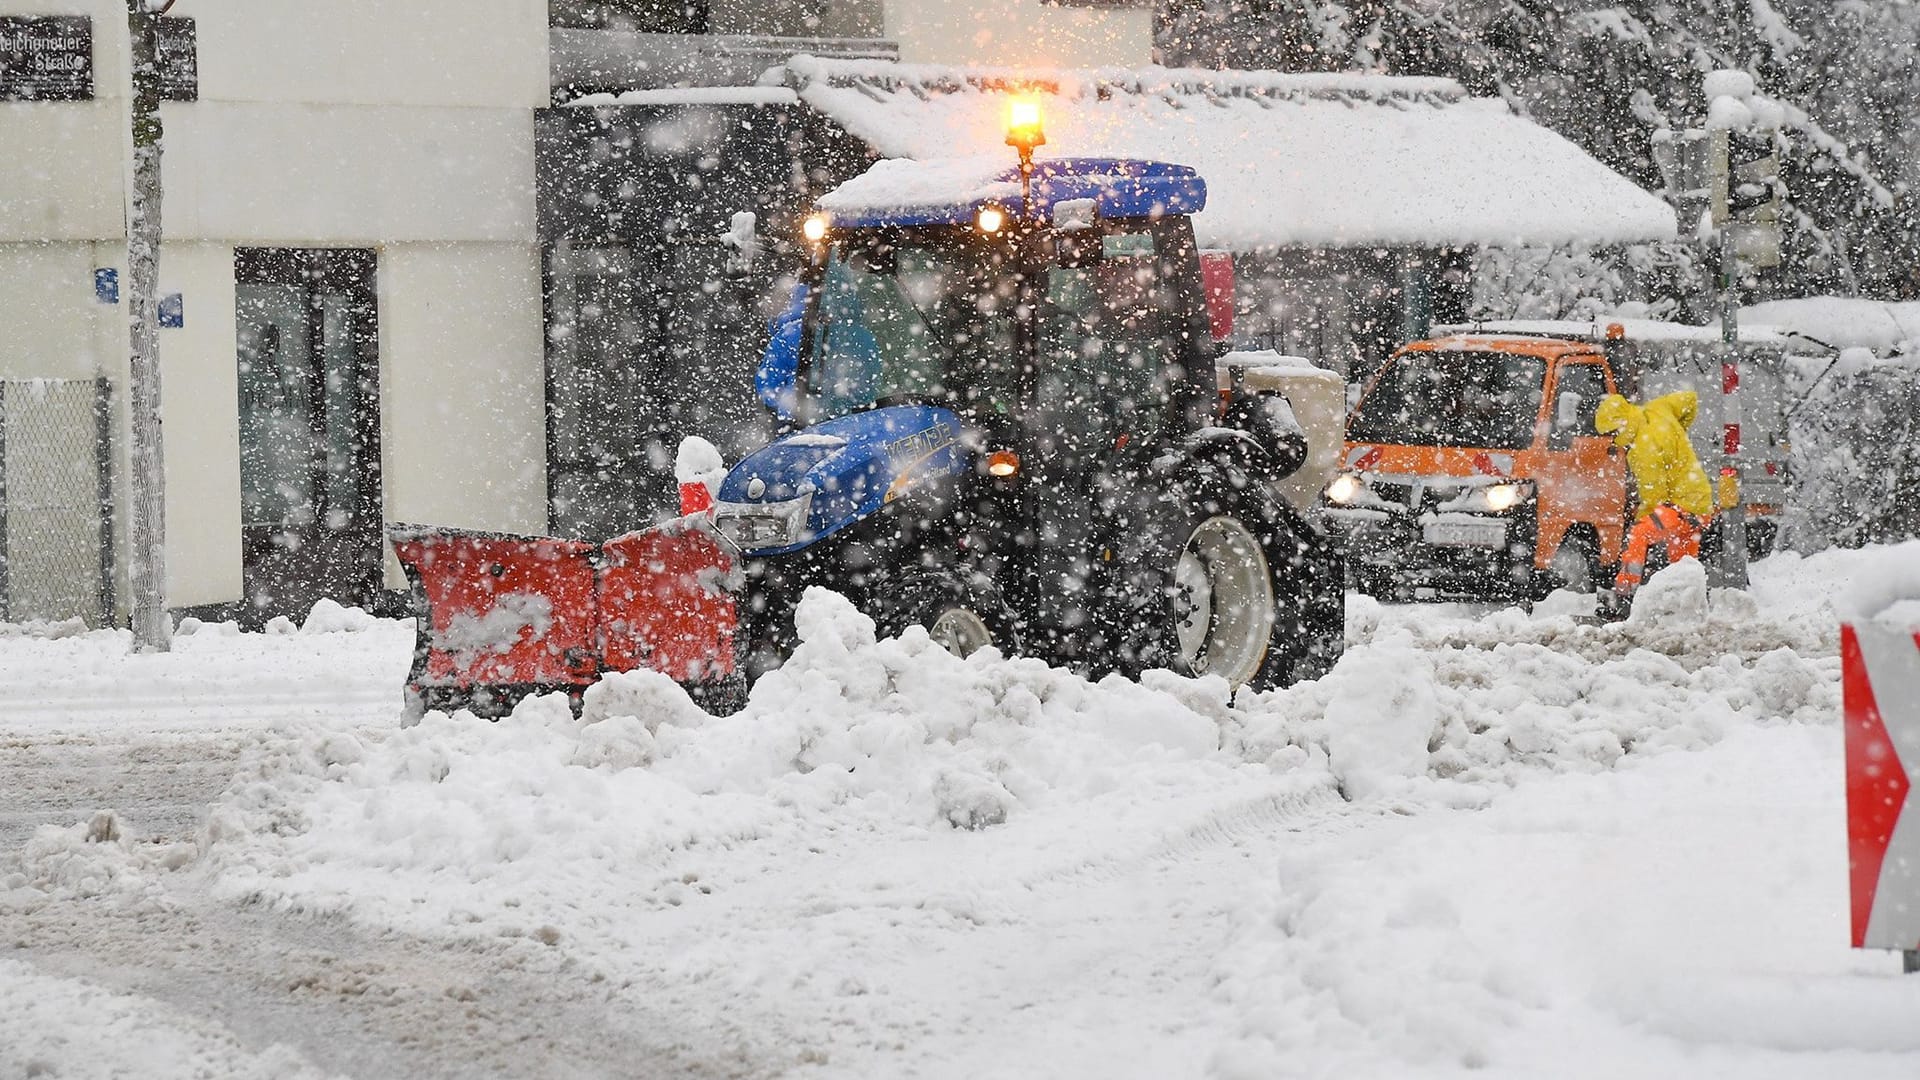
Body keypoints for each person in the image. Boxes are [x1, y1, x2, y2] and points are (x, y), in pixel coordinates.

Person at [1594, 390, 1716, 615]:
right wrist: (1679, 434)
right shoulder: (1658, 408)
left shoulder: (1643, 448)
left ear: (1621, 424)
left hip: (1681, 506)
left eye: (1612, 434)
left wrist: (1640, 518)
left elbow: (1654, 497)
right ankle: (1691, 605)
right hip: (1699, 501)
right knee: (1683, 564)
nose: (1612, 440)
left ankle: (1624, 595)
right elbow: (1690, 398)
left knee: (1639, 535)